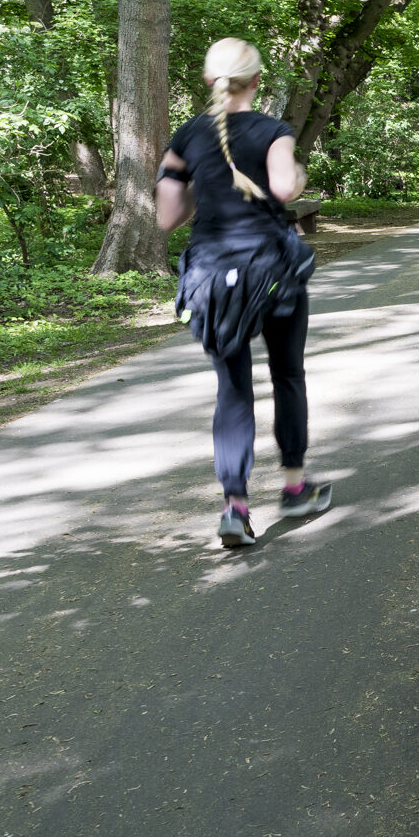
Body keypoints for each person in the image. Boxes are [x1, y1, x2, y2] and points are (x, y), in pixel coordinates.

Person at [156, 38, 333, 547]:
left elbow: (169, 217)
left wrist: (199, 180)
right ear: (256, 81)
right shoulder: (272, 130)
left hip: (212, 276)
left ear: (210, 82)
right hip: (271, 270)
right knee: (287, 374)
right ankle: (295, 487)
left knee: (232, 389)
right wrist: (295, 173)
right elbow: (281, 188)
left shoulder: (187, 135)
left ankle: (235, 508)